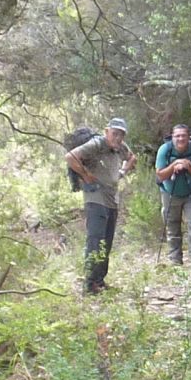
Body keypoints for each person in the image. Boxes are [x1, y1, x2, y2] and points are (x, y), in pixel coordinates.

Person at [65, 117, 136, 294]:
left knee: (107, 242)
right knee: (95, 240)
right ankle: (89, 284)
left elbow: (132, 157)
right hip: (95, 198)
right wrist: (85, 174)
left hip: (112, 200)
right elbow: (70, 157)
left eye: (121, 134)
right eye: (114, 133)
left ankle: (100, 281)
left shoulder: (120, 147)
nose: (117, 137)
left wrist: (123, 171)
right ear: (107, 132)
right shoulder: (97, 144)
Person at [155, 124, 191, 267]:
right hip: (169, 192)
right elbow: (160, 175)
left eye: (183, 135)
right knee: (172, 225)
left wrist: (188, 166)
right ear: (172, 138)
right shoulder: (164, 150)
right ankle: (174, 259)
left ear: (188, 136)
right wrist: (174, 165)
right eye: (177, 136)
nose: (180, 139)